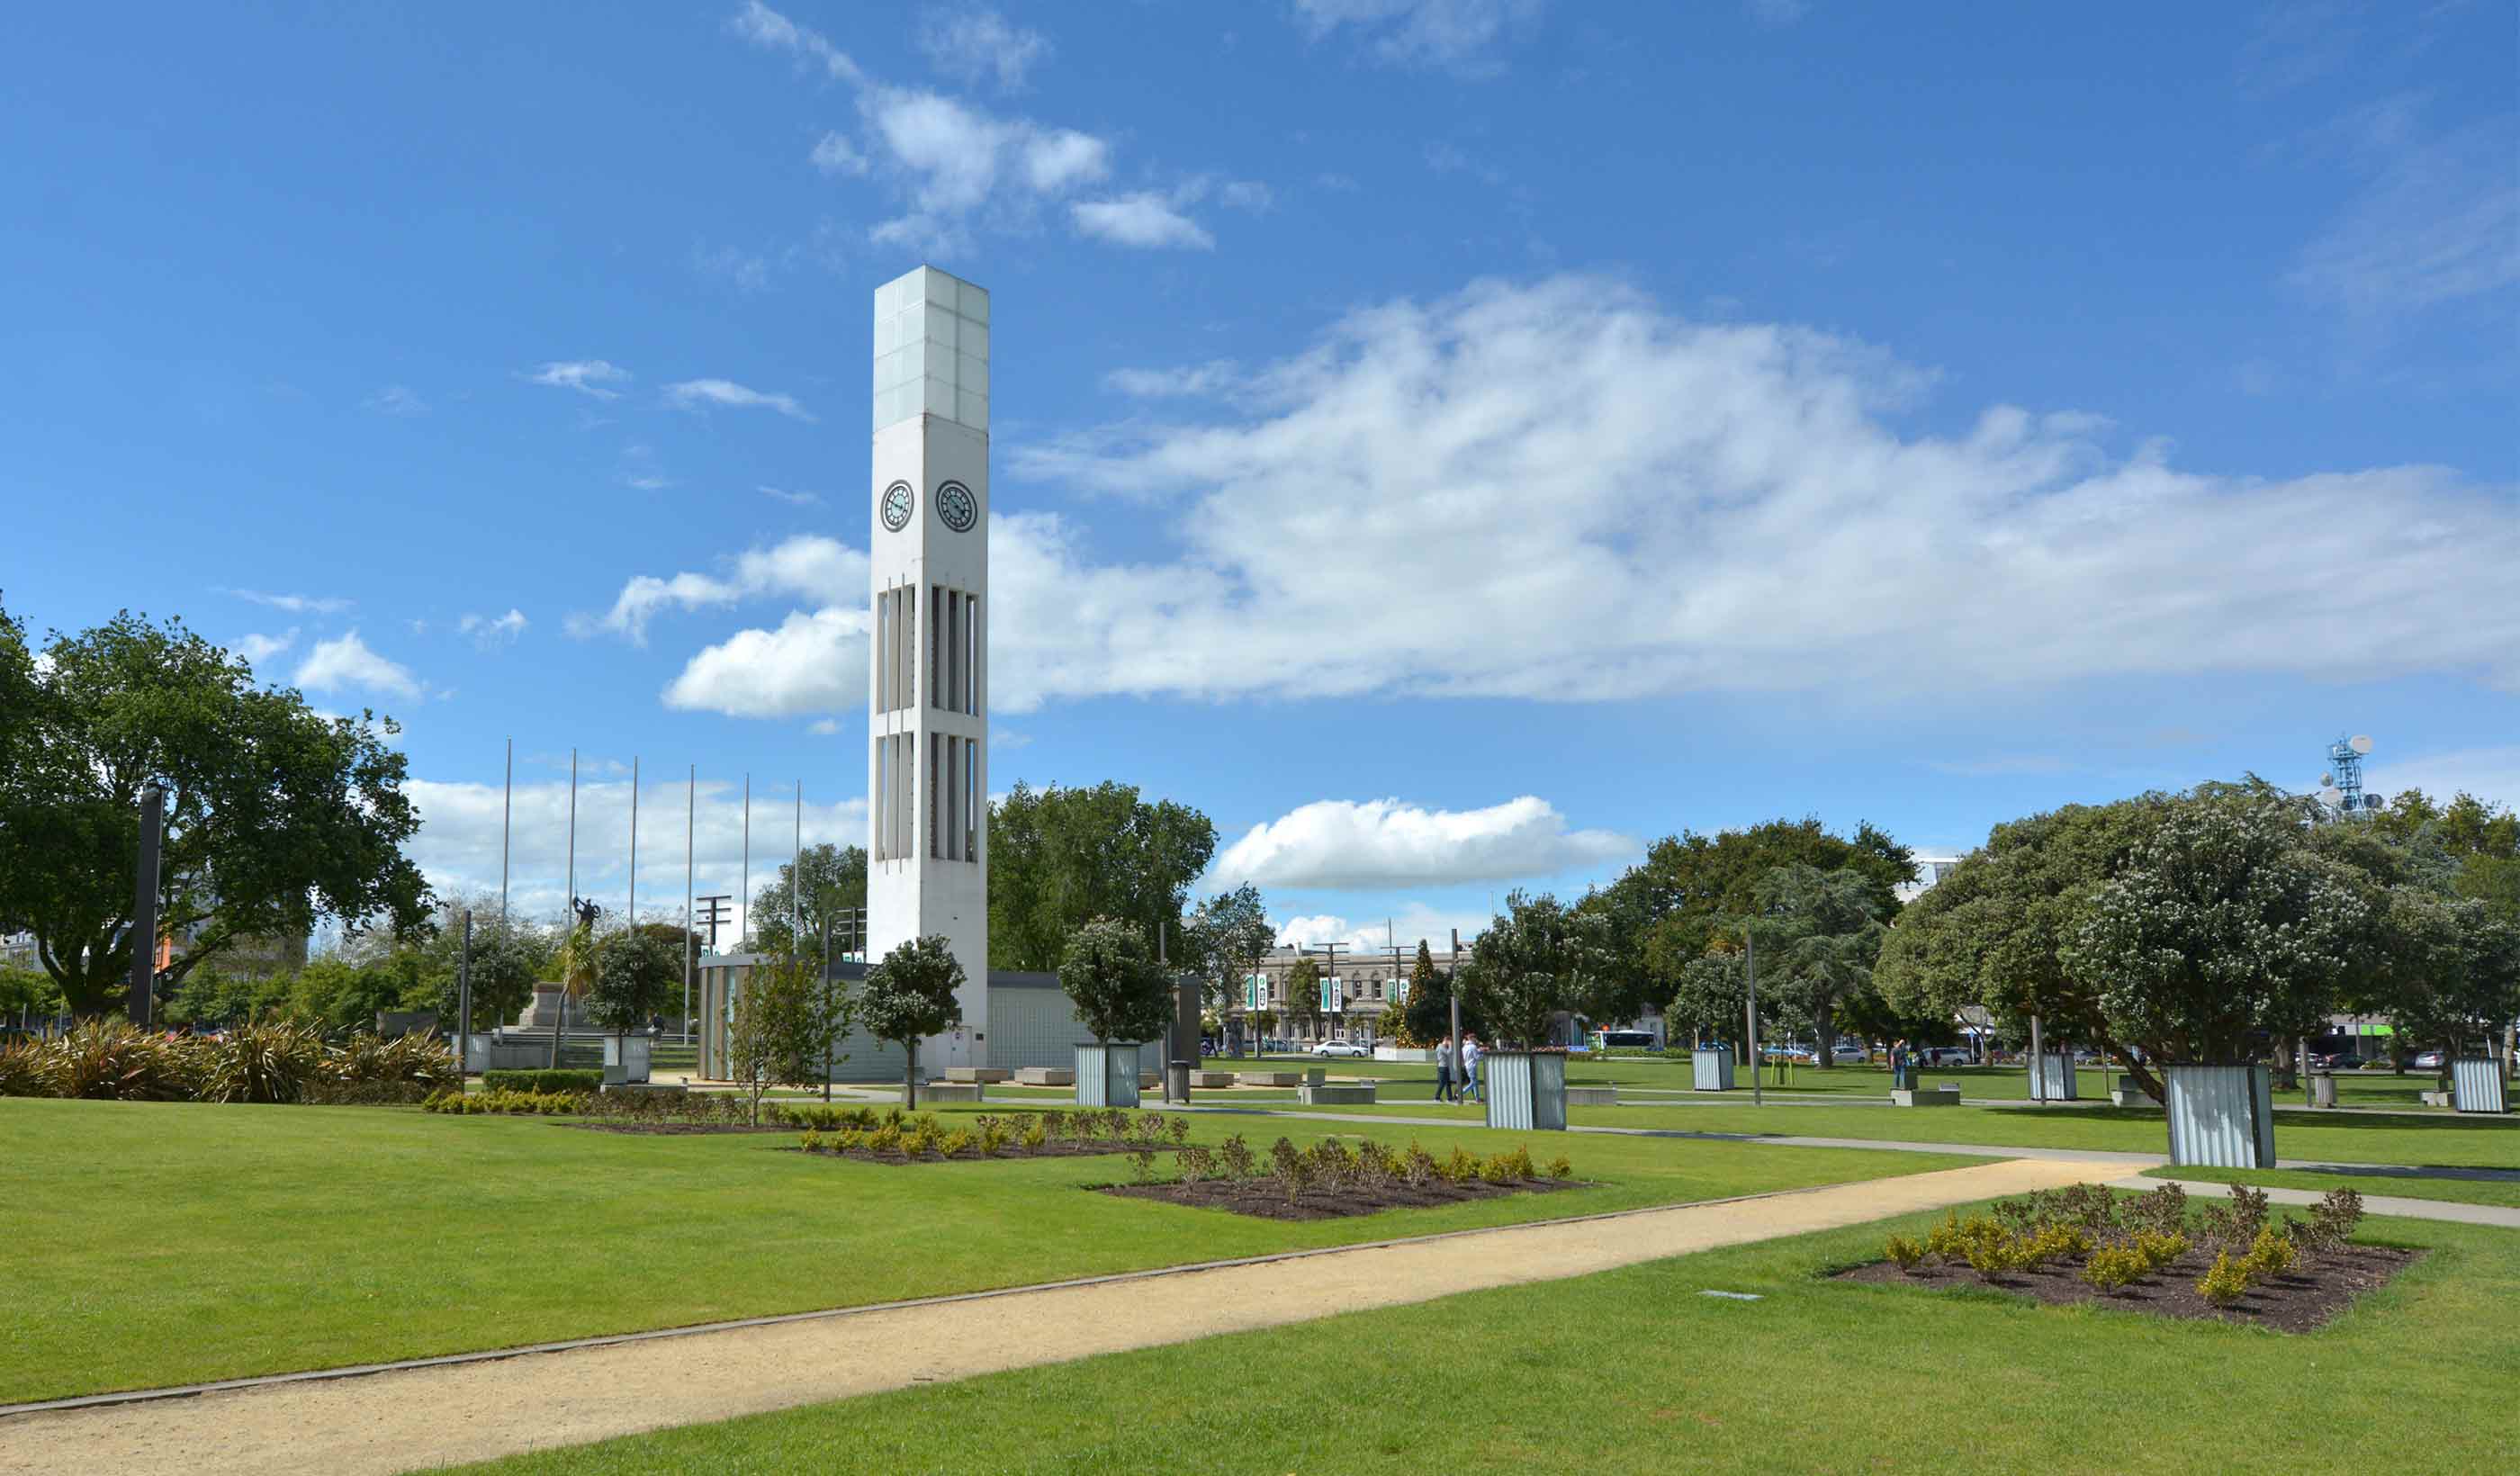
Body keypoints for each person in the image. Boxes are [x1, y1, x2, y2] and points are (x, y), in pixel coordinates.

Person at [1462, 1034, 1484, 1104]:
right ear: (1472, 1038)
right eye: (1475, 1038)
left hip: (1467, 1066)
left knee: (1474, 1083)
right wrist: (1484, 1055)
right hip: (1472, 1066)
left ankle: (1477, 1099)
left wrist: (1480, 1050)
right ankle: (1460, 1093)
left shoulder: (1465, 1047)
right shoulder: (1473, 1046)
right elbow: (1477, 1057)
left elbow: (1472, 1053)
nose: (1476, 1040)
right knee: (1474, 1083)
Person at [1436, 1033, 1456, 1102]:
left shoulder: (1441, 1046)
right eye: (1449, 1041)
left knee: (1448, 1083)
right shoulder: (1441, 1046)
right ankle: (1437, 1097)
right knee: (1442, 1083)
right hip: (1443, 1067)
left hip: (1445, 1067)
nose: (1450, 1043)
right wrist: (1450, 1045)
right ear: (1446, 1040)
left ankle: (1450, 1098)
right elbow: (1449, 1053)